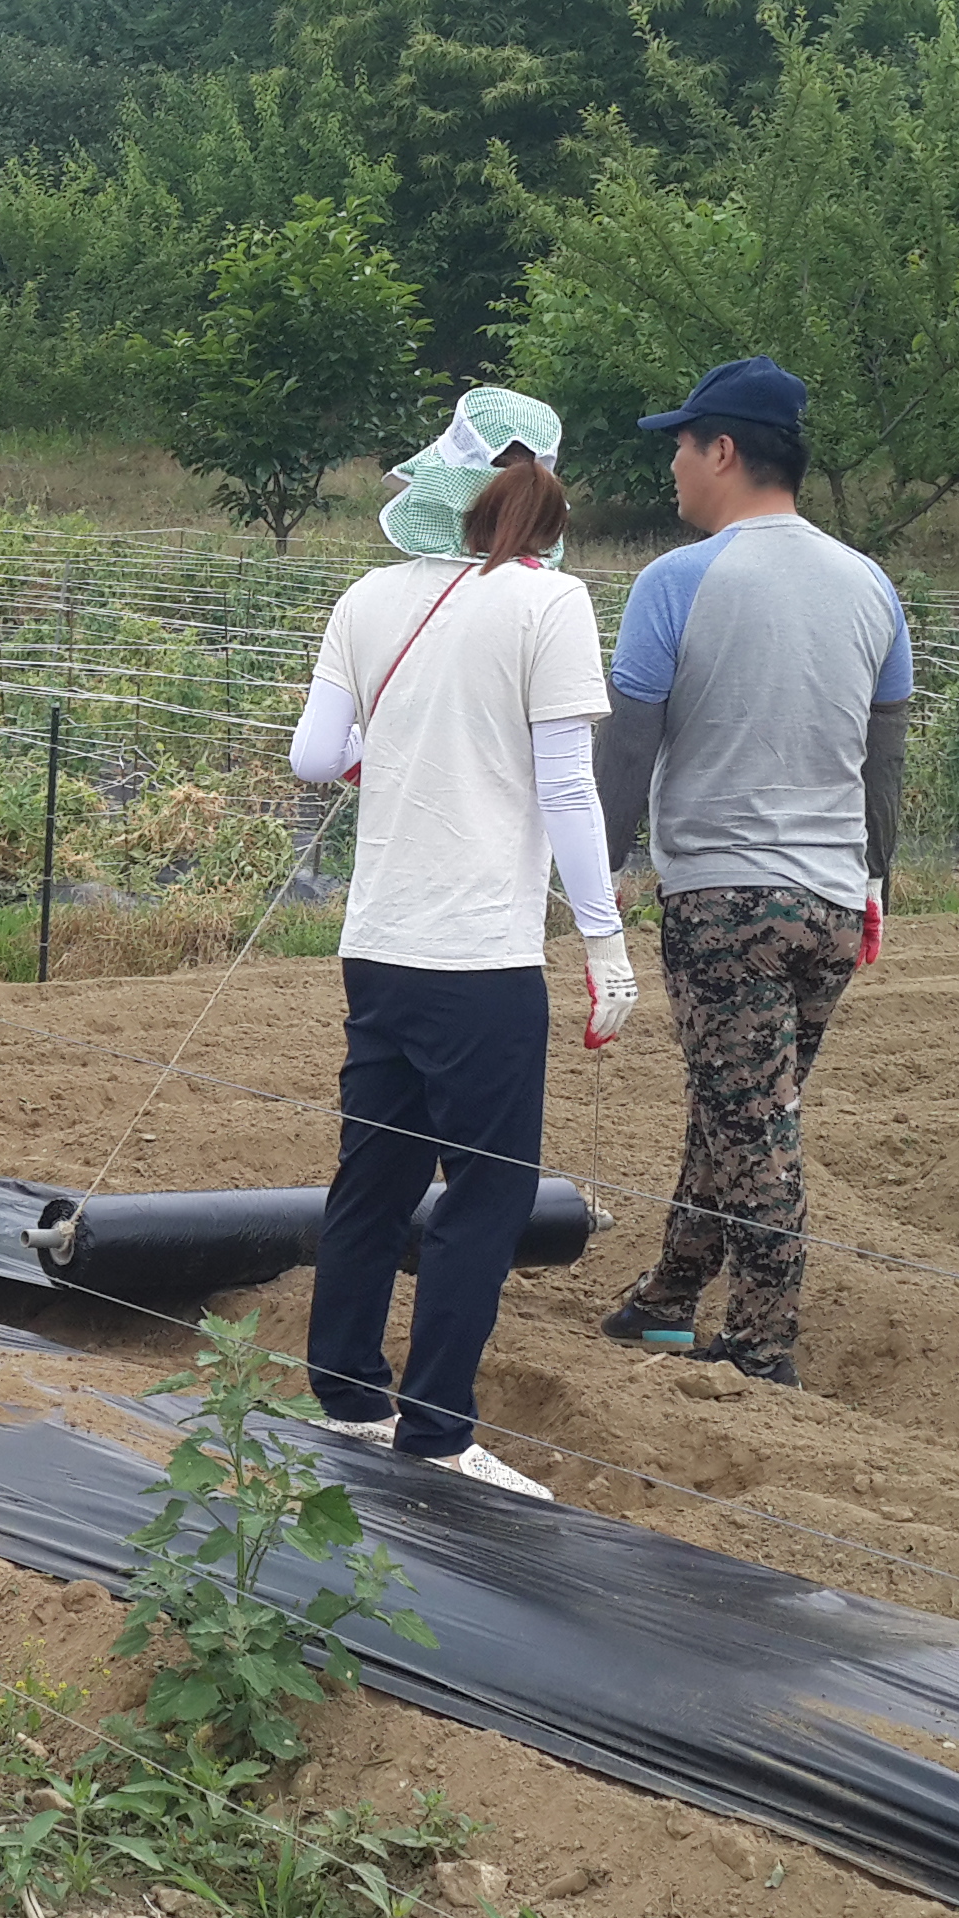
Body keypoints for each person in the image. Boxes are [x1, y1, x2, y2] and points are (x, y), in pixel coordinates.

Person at [284, 388, 636, 1501]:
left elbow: (310, 757)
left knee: (372, 1179)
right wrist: (606, 941)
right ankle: (436, 1430)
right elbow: (568, 789)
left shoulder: (367, 598)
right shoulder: (554, 605)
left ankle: (345, 1397)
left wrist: (389, 762)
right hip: (482, 955)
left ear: (442, 485)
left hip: (378, 942)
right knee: (487, 1195)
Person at [594, 358, 914, 1389]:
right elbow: (887, 757)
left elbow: (628, 751)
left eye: (681, 447)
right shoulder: (871, 585)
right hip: (829, 901)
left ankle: (764, 1345)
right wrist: (874, 887)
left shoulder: (676, 582)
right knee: (738, 1106)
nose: (674, 469)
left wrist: (592, 881)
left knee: (753, 1122)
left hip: (723, 898)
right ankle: (670, 1298)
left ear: (723, 451)